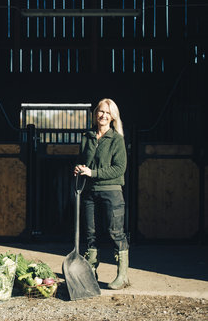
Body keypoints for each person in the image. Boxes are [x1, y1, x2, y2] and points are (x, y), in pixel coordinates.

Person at [73, 98, 130, 290]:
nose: (104, 116)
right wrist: (80, 168)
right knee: (90, 233)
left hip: (111, 192)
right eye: (101, 112)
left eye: (108, 113)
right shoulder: (87, 137)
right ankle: (91, 273)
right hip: (89, 191)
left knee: (116, 233)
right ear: (95, 113)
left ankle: (122, 277)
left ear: (113, 117)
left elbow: (119, 169)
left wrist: (93, 173)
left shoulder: (117, 139)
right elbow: (84, 161)